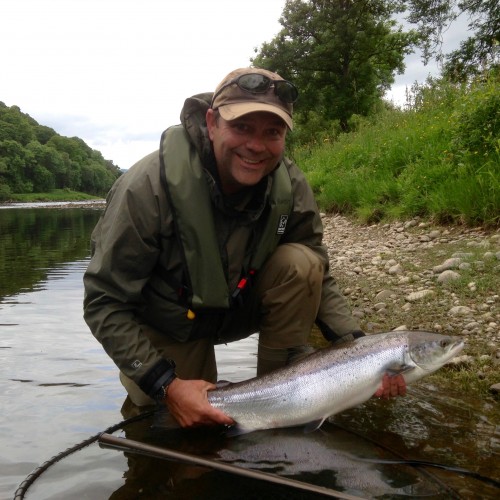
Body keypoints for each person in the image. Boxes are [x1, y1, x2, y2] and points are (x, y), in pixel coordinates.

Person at [83, 67, 405, 429]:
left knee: (302, 262)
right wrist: (166, 385)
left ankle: (283, 403)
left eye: (273, 132)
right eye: (242, 127)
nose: (256, 145)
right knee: (174, 427)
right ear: (212, 122)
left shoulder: (290, 185)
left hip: (238, 307)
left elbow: (319, 273)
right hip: (169, 322)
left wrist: (362, 350)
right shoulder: (144, 189)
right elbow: (104, 302)